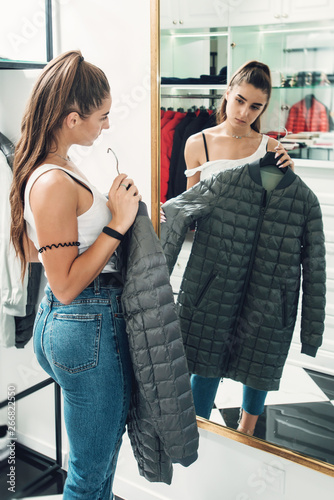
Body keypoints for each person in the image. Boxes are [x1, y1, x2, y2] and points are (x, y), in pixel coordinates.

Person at [10, 50, 141, 499]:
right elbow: (64, 284)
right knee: (89, 475)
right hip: (83, 326)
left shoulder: (56, 165)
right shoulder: (52, 181)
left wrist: (99, 215)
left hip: (79, 328)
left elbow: (37, 249)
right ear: (71, 118)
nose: (106, 126)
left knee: (99, 466)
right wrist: (116, 223)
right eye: (101, 117)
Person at [176, 60, 295, 436]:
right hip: (212, 263)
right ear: (227, 92)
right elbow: (189, 207)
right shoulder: (199, 143)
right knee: (206, 351)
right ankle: (197, 432)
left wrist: (289, 180)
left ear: (264, 108)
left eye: (255, 106)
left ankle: (247, 431)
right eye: (240, 100)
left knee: (258, 347)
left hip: (260, 265)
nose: (245, 112)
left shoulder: (270, 149)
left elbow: (280, 216)